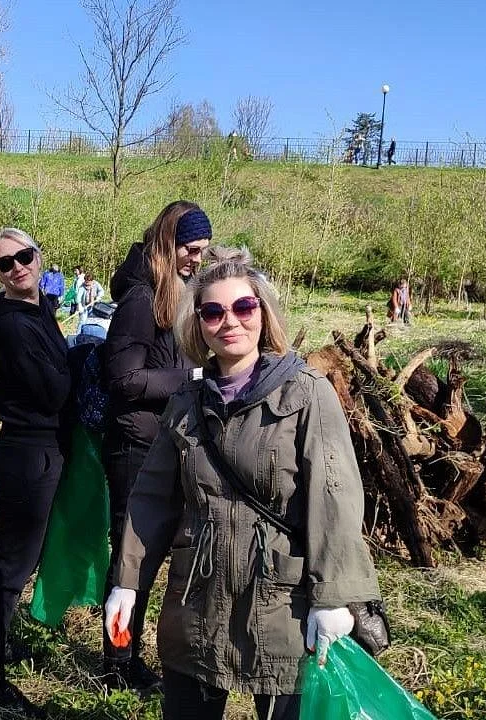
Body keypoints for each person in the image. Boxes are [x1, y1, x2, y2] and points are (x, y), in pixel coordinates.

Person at [106, 248, 381, 720]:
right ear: (197, 324)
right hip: (197, 600)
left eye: (243, 307)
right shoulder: (187, 401)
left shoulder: (306, 393)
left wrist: (334, 597)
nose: (229, 321)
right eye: (212, 311)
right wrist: (127, 582)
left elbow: (334, 497)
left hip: (283, 604)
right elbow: (152, 497)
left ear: (263, 313)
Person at [99, 200, 211, 690]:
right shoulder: (141, 300)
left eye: (203, 251)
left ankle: (128, 655)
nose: (197, 259)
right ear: (169, 242)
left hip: (160, 443)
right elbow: (123, 379)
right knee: (130, 560)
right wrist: (195, 377)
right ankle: (118, 665)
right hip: (133, 446)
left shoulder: (173, 291)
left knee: (147, 558)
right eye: (191, 249)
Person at [0, 228, 71, 717]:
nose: (17, 267)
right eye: (4, 263)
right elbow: (54, 392)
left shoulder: (39, 310)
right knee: (9, 568)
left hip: (38, 450)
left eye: (24, 256)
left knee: (18, 563)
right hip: (26, 454)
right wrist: (82, 363)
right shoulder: (14, 325)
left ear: (39, 256)